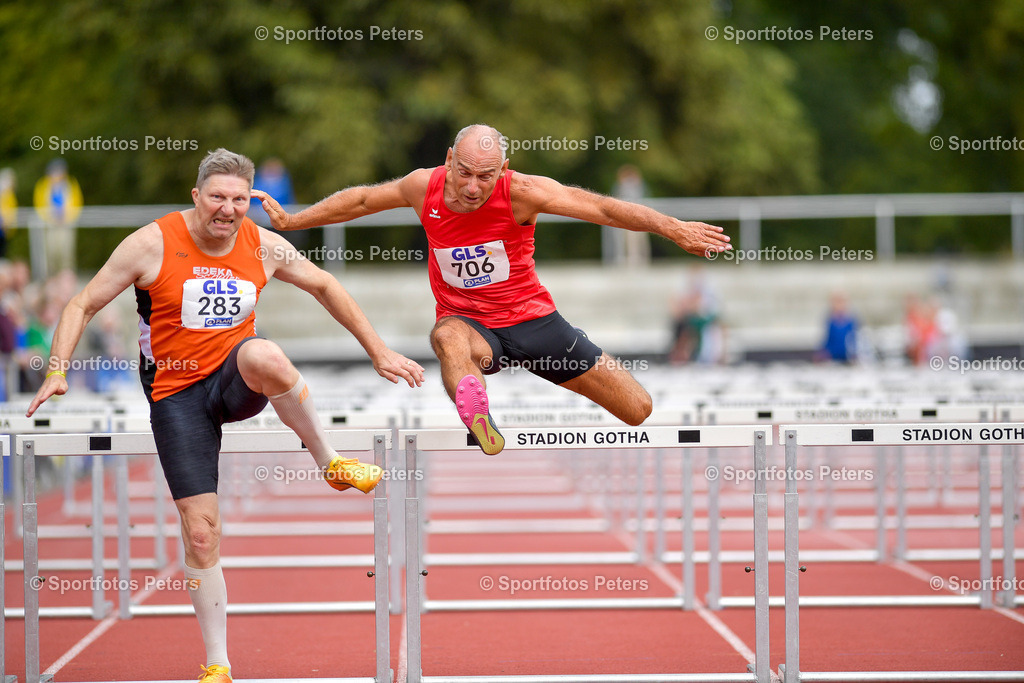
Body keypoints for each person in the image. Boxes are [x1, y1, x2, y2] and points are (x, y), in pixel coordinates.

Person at [26, 148, 424, 683]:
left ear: (250, 201)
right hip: (176, 394)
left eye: (239, 200)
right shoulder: (152, 242)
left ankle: (329, 462)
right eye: (217, 197)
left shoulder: (262, 244)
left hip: (235, 379)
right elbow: (81, 304)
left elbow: (327, 285)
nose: (228, 210)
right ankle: (218, 662)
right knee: (201, 534)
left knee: (267, 355)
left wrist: (378, 350)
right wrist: (56, 370)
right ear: (197, 196)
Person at [254, 124, 730, 455]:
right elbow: (358, 201)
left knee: (638, 410)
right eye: (464, 171)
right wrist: (296, 219)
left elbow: (604, 209)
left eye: (486, 175)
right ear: (448, 161)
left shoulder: (523, 191)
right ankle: (476, 412)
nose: (473, 186)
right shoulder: (424, 187)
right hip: (473, 326)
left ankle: (520, 372)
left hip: (536, 322)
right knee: (446, 337)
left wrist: (674, 228)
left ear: (504, 169)